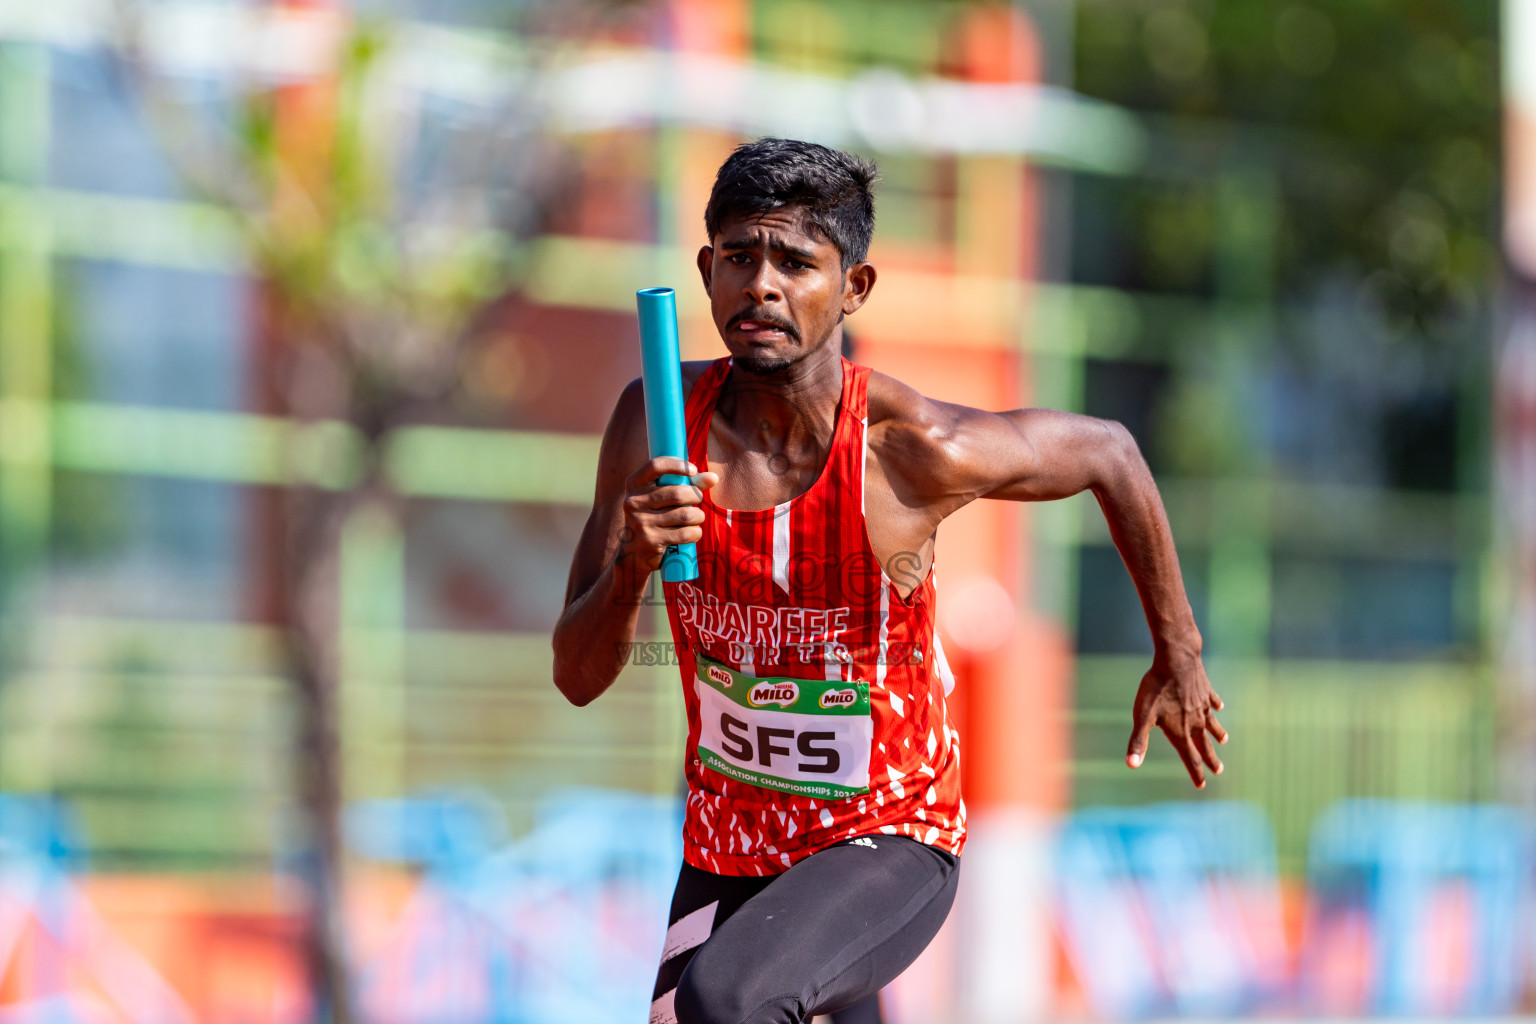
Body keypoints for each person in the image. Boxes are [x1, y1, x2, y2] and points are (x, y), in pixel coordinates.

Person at [552, 138, 1226, 1024]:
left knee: (729, 1004)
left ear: (853, 289)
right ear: (707, 272)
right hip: (727, 842)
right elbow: (577, 674)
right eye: (742, 258)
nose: (762, 284)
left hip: (886, 836)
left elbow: (1111, 451)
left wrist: (1179, 652)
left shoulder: (908, 451)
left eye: (796, 262)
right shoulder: (656, 424)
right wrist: (636, 564)